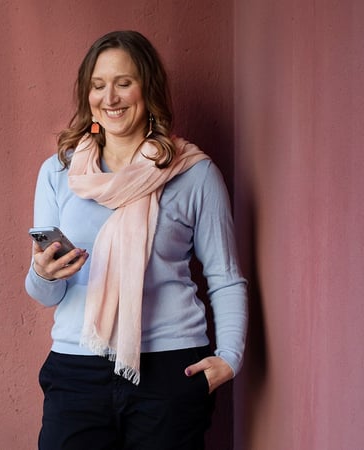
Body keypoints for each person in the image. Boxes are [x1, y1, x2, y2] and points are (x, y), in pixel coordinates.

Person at [25, 30, 247, 450]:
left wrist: (230, 358)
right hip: (77, 368)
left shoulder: (194, 174)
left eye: (123, 83)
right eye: (98, 85)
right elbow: (45, 294)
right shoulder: (58, 173)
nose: (110, 98)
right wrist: (44, 273)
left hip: (170, 371)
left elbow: (225, 277)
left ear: (148, 89)